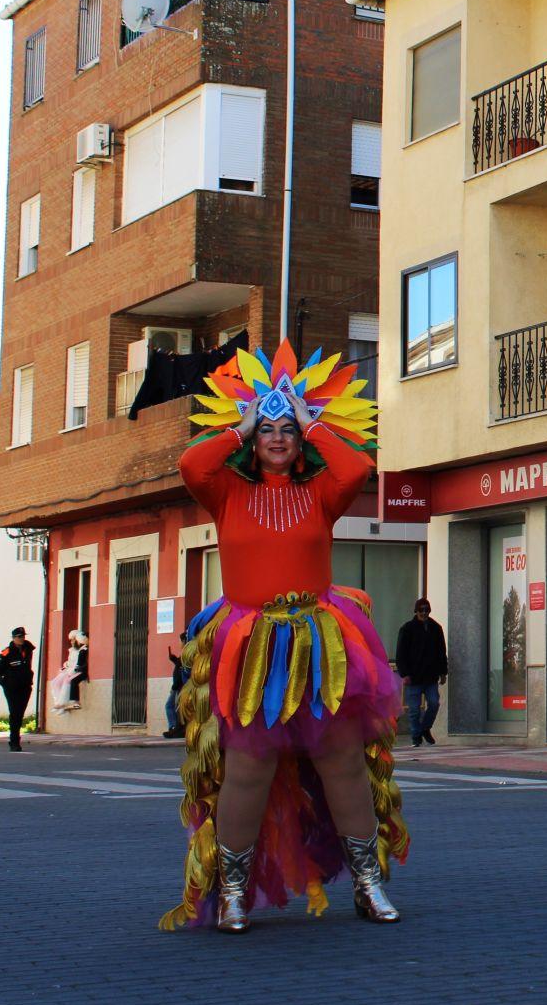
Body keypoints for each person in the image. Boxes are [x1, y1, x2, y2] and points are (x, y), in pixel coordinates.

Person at [159, 340, 404, 933]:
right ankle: (234, 891)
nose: (276, 436)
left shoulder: (321, 494)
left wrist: (310, 420)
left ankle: (369, 886)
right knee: (248, 767)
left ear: (299, 441)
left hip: (322, 642)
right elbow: (193, 465)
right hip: (252, 646)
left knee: (342, 762)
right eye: (266, 429)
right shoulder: (227, 493)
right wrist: (238, 427)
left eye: (285, 430)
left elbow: (357, 467)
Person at [394, 598, 447, 748]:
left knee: (434, 703)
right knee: (414, 710)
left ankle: (425, 728)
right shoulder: (407, 629)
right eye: (421, 610)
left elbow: (441, 652)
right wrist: (404, 674)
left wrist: (443, 672)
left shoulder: (436, 628)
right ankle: (416, 737)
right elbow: (400, 654)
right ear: (416, 611)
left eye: (426, 610)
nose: (424, 613)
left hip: (431, 676)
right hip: (413, 677)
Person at [0, 628, 35, 751]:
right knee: (15, 713)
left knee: (20, 713)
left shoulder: (28, 648)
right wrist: (5, 683)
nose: (21, 639)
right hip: (12, 687)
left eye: (23, 636)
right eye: (19, 636)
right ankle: (14, 741)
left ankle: (15, 738)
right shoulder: (6, 653)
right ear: (13, 638)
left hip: (25, 686)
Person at [163, 640, 188, 738]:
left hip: (178, 686)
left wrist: (174, 687)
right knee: (175, 707)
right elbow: (179, 665)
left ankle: (174, 727)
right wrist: (174, 659)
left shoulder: (187, 653)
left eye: (181, 641)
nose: (180, 644)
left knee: (170, 706)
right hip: (178, 685)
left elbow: (181, 669)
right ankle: (175, 728)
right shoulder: (185, 654)